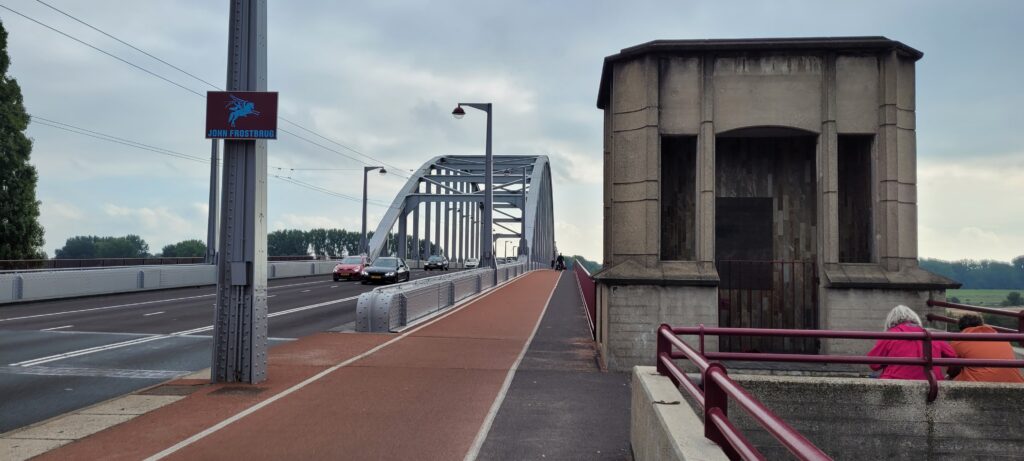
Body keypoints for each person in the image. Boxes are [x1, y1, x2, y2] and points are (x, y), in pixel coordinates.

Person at [866, 305, 956, 380]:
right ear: (914, 318)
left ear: (890, 321)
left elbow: (874, 364)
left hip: (895, 383)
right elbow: (953, 358)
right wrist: (948, 374)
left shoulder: (890, 335)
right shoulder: (931, 335)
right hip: (931, 384)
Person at [947, 314, 1024, 383]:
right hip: (1015, 383)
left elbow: (953, 369)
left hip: (980, 387)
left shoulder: (959, 341)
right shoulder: (1000, 337)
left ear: (961, 328)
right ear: (981, 324)